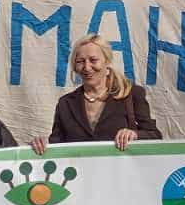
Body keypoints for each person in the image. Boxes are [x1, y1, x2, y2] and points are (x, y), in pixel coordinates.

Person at [32, 35, 162, 152]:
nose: (87, 67)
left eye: (93, 60)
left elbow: (155, 136)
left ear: (107, 62)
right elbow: (57, 145)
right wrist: (43, 145)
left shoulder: (132, 94)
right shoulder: (65, 104)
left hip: (122, 175)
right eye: (80, 61)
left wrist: (135, 135)